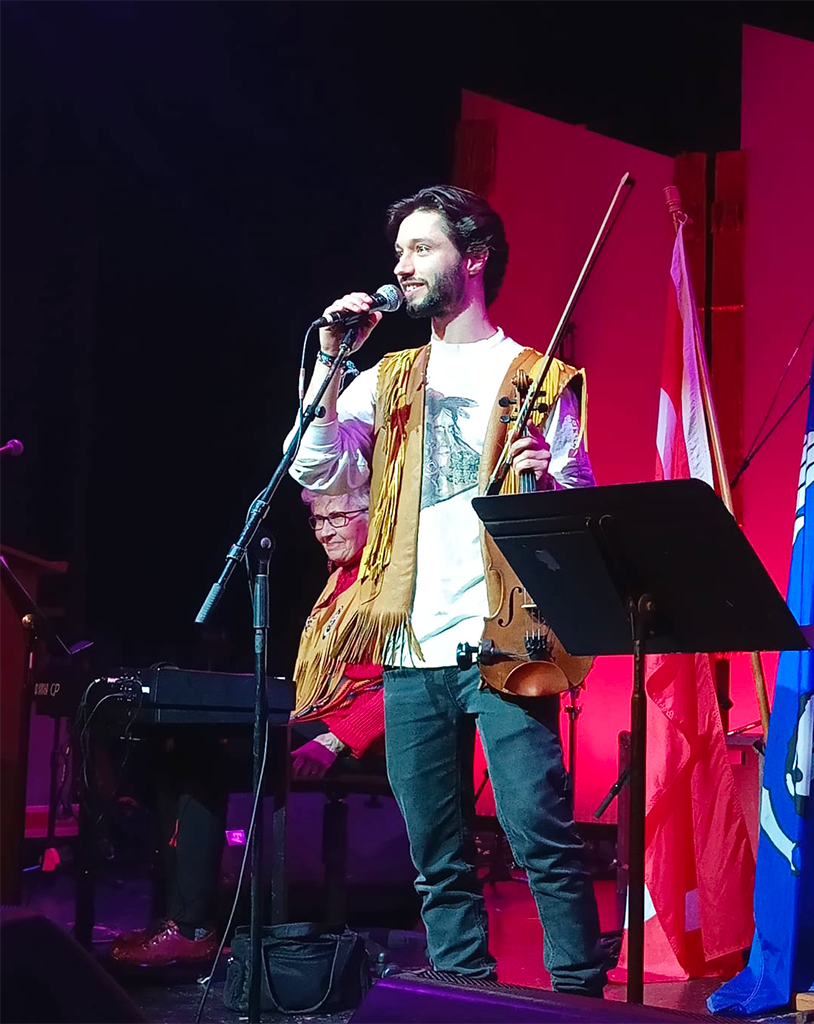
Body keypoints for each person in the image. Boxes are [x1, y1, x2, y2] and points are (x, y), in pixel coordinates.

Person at [286, 185, 605, 996]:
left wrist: (550, 482)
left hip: (503, 638)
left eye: (422, 248)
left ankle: (580, 999)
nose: (403, 266)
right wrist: (329, 366)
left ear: (474, 258)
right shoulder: (386, 376)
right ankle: (464, 997)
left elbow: (577, 516)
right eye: (399, 252)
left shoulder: (535, 376)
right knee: (436, 851)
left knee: (541, 836)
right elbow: (317, 467)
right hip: (409, 642)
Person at [110, 486, 387, 968]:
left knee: (203, 760)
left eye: (337, 518)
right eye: (318, 521)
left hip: (354, 736)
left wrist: (337, 738)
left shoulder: (391, 582)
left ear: (376, 514)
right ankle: (178, 919)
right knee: (175, 748)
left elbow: (406, 678)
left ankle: (194, 927)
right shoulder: (338, 581)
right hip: (312, 718)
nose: (324, 531)